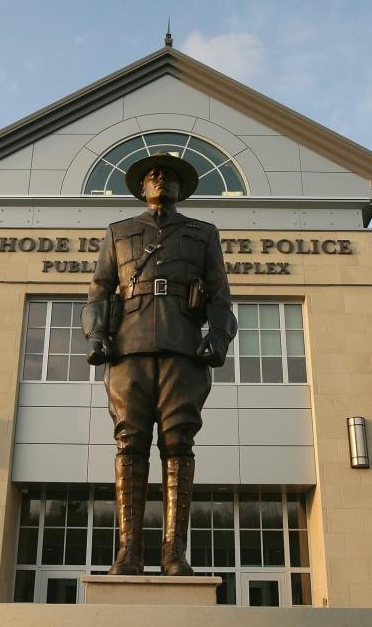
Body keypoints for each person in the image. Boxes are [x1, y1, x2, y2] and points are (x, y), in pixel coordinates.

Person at [81, 152, 237, 576]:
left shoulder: (203, 234)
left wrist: (217, 338)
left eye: (168, 176)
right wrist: (97, 336)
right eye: (152, 176)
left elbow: (221, 297)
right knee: (129, 443)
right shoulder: (119, 232)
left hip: (183, 347)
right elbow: (99, 290)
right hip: (128, 349)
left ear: (180, 188)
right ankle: (129, 550)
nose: (160, 180)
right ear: (142, 188)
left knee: (178, 443)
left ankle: (173, 552)